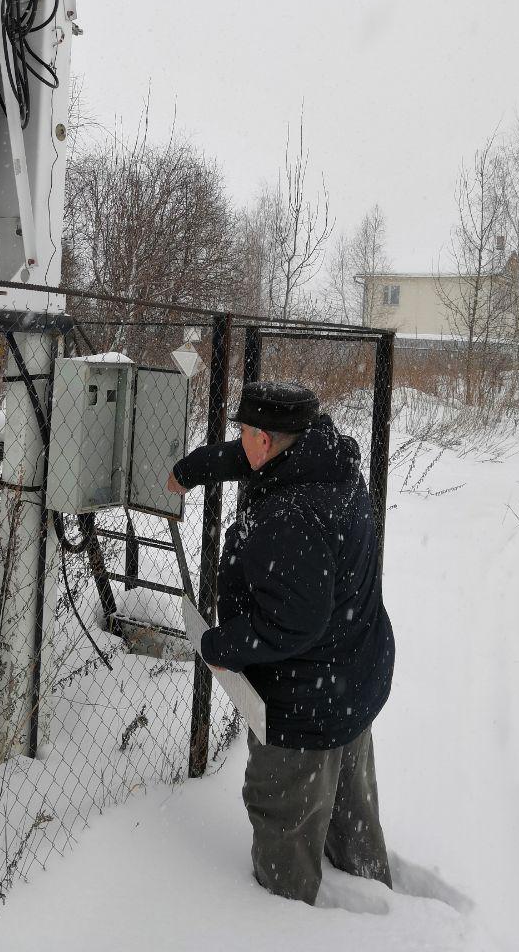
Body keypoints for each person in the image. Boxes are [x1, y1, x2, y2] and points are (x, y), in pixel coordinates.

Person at [167, 380, 395, 905]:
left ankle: (288, 919)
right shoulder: (326, 462)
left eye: (245, 433)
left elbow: (292, 625)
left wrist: (218, 647)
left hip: (304, 703)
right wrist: (192, 470)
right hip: (351, 678)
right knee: (349, 807)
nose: (241, 442)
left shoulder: (292, 515)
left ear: (265, 440)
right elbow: (250, 459)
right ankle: (374, 890)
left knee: (285, 818)